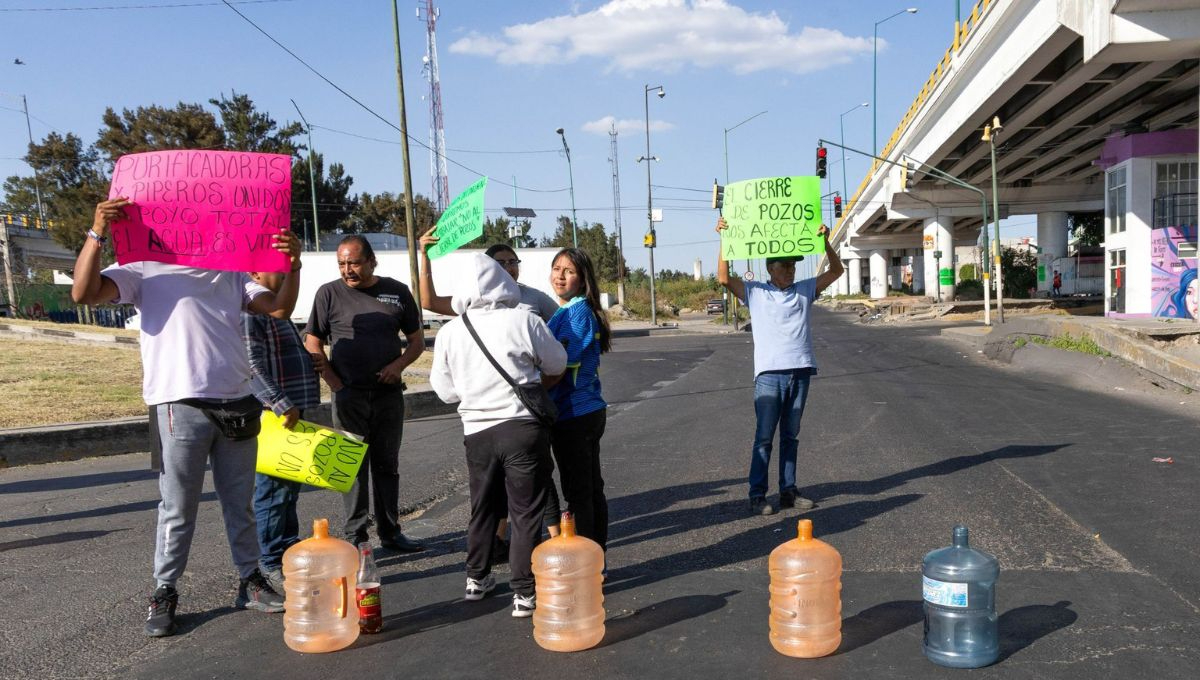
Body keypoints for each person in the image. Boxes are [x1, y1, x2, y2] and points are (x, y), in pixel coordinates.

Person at [71, 198, 300, 637]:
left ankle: (250, 581)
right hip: (180, 405)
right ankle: (165, 590)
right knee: (177, 508)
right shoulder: (142, 268)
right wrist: (97, 231)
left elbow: (278, 308)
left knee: (240, 504)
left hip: (238, 403)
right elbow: (83, 293)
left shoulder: (230, 270)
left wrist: (293, 265)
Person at [430, 253, 567, 617]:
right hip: (522, 427)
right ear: (503, 282)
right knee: (525, 511)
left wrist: (474, 392)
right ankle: (524, 592)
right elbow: (557, 363)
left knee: (483, 507)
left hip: (477, 432)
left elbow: (445, 392)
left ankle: (477, 578)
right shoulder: (524, 320)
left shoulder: (450, 332)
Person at [304, 235, 426, 552]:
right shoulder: (328, 293)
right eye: (342, 264)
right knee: (351, 469)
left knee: (386, 466)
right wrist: (334, 382)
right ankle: (356, 537)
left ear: (372, 261)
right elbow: (313, 341)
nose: (348, 270)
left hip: (388, 396)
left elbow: (416, 342)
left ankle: (391, 532)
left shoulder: (397, 292)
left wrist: (398, 366)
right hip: (349, 397)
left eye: (354, 263)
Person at [715, 218, 844, 516]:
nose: (790, 270)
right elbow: (723, 278)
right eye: (784, 265)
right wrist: (724, 239)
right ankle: (757, 495)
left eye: (793, 265)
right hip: (769, 375)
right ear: (770, 268)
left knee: (791, 436)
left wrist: (825, 241)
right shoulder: (755, 292)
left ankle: (788, 491)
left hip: (801, 371)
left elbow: (837, 271)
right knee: (764, 438)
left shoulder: (805, 289)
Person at [242, 269, 322, 594]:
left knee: (288, 491)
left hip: (291, 413)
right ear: (255, 272)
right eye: (278, 266)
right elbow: (251, 366)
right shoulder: (252, 310)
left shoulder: (278, 309)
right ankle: (271, 562)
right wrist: (280, 403)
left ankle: (288, 552)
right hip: (276, 416)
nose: (286, 270)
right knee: (274, 493)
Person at [546, 248, 612, 550]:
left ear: (583, 279)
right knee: (588, 489)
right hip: (579, 413)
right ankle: (595, 557)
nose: (560, 276)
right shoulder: (566, 310)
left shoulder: (577, 313)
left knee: (580, 493)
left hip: (575, 414)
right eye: (556, 269)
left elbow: (560, 365)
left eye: (569, 271)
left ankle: (589, 559)